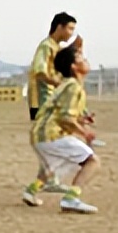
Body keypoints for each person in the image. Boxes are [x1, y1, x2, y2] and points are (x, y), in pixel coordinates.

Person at [27, 44, 99, 213]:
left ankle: (30, 191)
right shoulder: (73, 87)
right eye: (81, 58)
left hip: (41, 134)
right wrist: (85, 133)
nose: (86, 60)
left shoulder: (68, 85)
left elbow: (61, 114)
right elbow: (65, 118)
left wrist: (80, 120)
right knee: (92, 161)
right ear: (74, 67)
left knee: (56, 166)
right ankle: (71, 199)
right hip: (50, 135)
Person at [23, 12, 78, 203]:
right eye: (69, 28)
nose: (71, 32)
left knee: (52, 137)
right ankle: (48, 180)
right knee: (49, 138)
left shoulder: (55, 48)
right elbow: (39, 72)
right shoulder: (46, 46)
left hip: (50, 99)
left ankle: (49, 179)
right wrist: (59, 84)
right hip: (42, 99)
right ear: (59, 27)